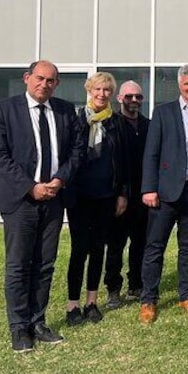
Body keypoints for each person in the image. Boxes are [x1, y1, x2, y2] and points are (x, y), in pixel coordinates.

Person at [0, 60, 84, 353]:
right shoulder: (4, 109)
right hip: (20, 200)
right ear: (27, 78)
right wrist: (31, 186)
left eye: (51, 80)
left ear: (57, 84)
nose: (44, 84)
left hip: (54, 198)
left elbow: (77, 150)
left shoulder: (66, 111)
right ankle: (19, 328)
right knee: (18, 266)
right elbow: (0, 156)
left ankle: (37, 322)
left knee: (45, 264)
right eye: (40, 78)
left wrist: (60, 180)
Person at [138, 65, 188, 324]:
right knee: (154, 247)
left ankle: (187, 296)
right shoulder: (163, 113)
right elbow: (151, 153)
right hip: (165, 192)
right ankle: (149, 300)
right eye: (187, 84)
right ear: (180, 86)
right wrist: (149, 188)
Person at [65, 72, 128, 326]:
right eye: (98, 89)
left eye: (107, 91)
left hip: (106, 195)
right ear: (89, 90)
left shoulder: (117, 122)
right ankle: (73, 305)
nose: (102, 94)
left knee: (97, 249)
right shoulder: (77, 119)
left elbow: (122, 161)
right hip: (80, 195)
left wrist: (122, 193)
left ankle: (92, 301)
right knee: (79, 250)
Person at [104, 80, 150, 309]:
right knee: (115, 246)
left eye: (138, 97)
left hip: (144, 196)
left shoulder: (149, 125)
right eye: (129, 96)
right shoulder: (111, 124)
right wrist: (120, 192)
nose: (134, 100)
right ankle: (113, 289)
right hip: (119, 196)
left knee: (140, 244)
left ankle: (136, 285)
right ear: (120, 98)